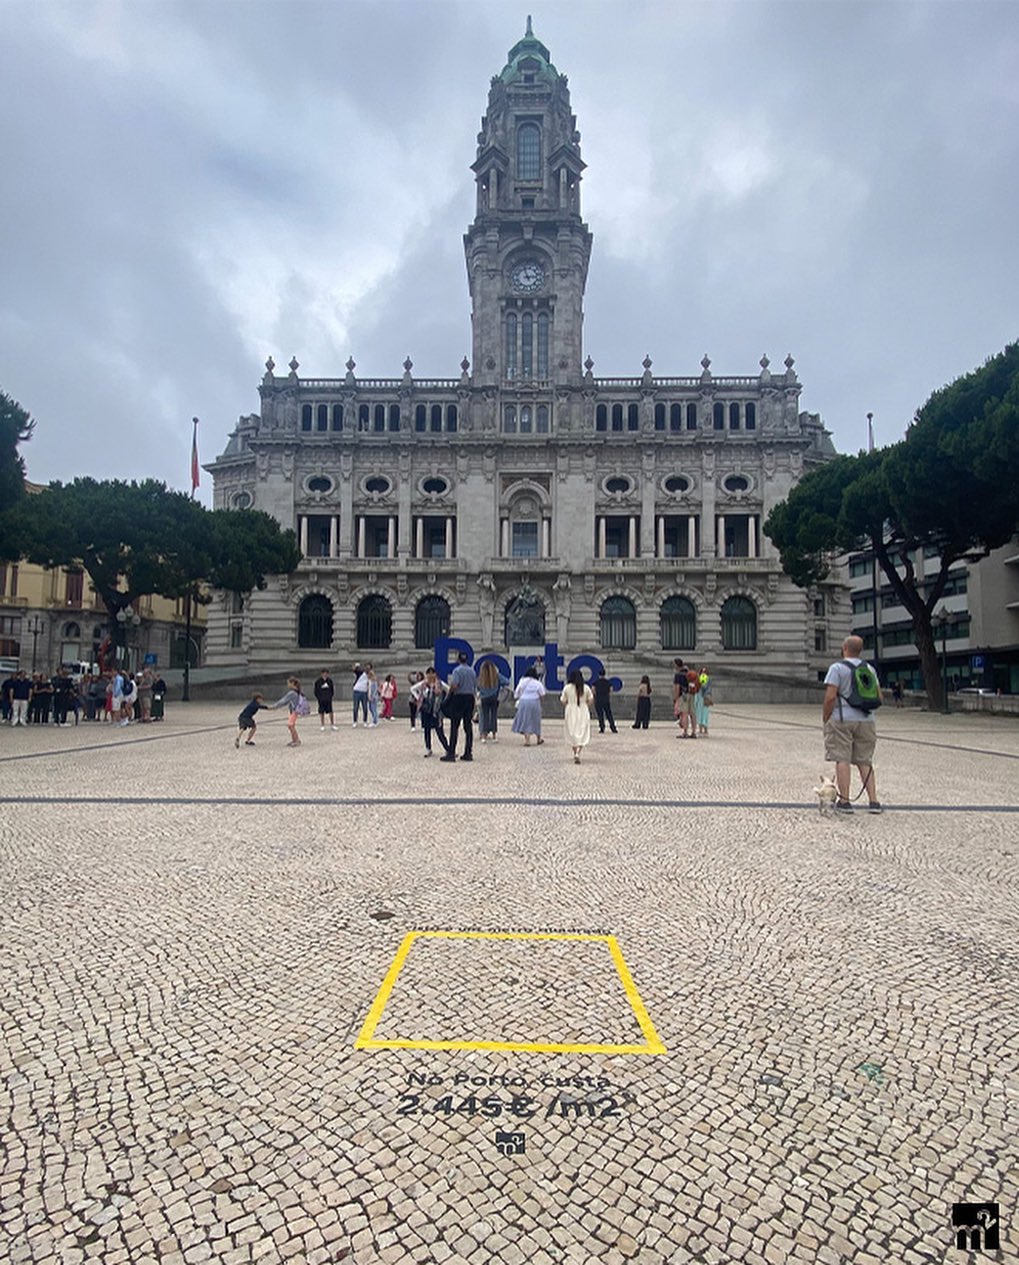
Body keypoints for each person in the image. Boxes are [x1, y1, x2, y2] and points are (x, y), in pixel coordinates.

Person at [822, 634, 883, 815]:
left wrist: (826, 717)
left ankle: (845, 802)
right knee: (865, 760)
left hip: (842, 718)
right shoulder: (870, 669)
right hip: (867, 719)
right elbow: (879, 697)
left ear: (844, 648)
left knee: (843, 758)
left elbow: (830, 696)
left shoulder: (837, 668)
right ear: (860, 650)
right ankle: (874, 802)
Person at [441, 651, 478, 762]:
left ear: (458, 659)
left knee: (455, 726)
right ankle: (468, 752)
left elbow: (455, 685)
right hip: (470, 698)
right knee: (468, 726)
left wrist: (450, 693)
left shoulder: (457, 671)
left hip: (459, 698)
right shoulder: (472, 671)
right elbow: (475, 685)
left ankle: (451, 753)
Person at [413, 667, 450, 758]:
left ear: (435, 674)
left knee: (439, 730)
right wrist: (419, 698)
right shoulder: (423, 684)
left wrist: (444, 701)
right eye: (428, 673)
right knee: (427, 730)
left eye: (432, 673)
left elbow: (448, 690)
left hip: (436, 710)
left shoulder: (440, 684)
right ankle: (428, 748)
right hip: (426, 709)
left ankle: (447, 749)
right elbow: (413, 689)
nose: (430, 675)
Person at [560, 669, 593, 764]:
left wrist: (569, 704)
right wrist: (585, 704)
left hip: (570, 709)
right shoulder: (586, 688)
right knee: (582, 731)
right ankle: (578, 752)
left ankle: (575, 751)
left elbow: (563, 700)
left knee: (572, 731)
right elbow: (590, 700)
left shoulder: (567, 688)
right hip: (583, 709)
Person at [511, 666, 546, 746]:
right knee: (536, 720)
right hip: (534, 701)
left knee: (525, 720)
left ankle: (527, 740)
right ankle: (538, 738)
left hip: (524, 701)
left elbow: (517, 692)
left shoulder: (522, 681)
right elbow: (542, 694)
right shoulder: (537, 683)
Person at [477, 660, 510, 742]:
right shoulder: (497, 676)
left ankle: (484, 735)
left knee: (485, 716)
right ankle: (494, 735)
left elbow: (477, 687)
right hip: (494, 698)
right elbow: (507, 682)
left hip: (484, 698)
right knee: (494, 716)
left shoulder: (481, 677)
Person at [272, 676, 305, 746]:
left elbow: (284, 700)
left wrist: (274, 706)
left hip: (294, 711)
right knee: (291, 725)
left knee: (290, 725)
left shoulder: (292, 693)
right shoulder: (297, 691)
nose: (288, 685)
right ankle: (294, 740)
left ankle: (296, 740)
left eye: (288, 683)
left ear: (292, 683)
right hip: (294, 710)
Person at [592, 667, 618, 734]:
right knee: (609, 714)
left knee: (600, 715)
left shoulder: (595, 683)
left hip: (598, 700)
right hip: (606, 700)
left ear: (599, 675)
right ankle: (613, 728)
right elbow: (611, 690)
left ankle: (602, 728)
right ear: (604, 674)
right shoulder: (608, 683)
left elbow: (593, 691)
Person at [694, 666, 712, 735]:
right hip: (701, 697)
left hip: (704, 697)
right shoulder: (700, 678)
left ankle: (705, 729)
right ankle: (701, 729)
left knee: (704, 713)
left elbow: (705, 687)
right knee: (700, 713)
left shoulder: (707, 679)